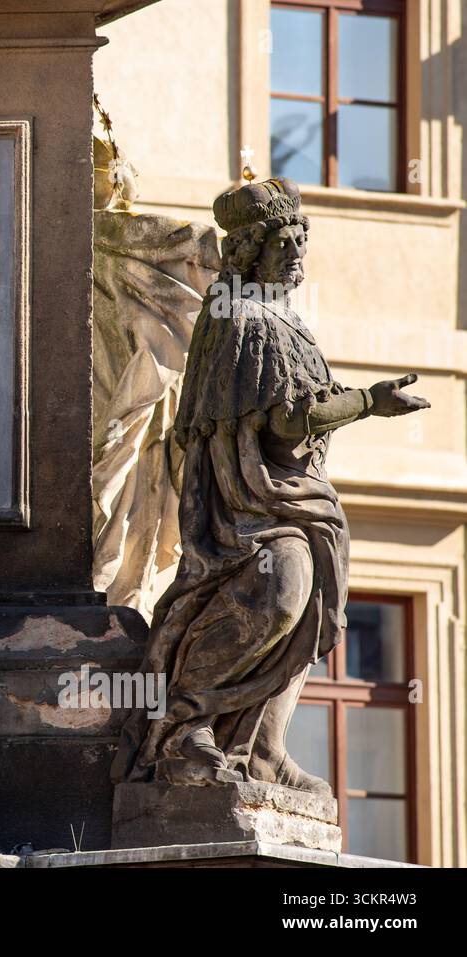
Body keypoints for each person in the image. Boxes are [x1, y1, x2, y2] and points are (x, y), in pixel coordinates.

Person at [112, 178, 429, 792]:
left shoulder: (282, 320)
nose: (297, 252)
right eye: (283, 242)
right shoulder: (241, 318)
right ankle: (185, 727)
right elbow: (287, 418)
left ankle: (263, 747)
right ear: (250, 250)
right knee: (281, 589)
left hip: (298, 489)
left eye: (301, 240)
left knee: (316, 609)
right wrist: (368, 401)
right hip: (250, 498)